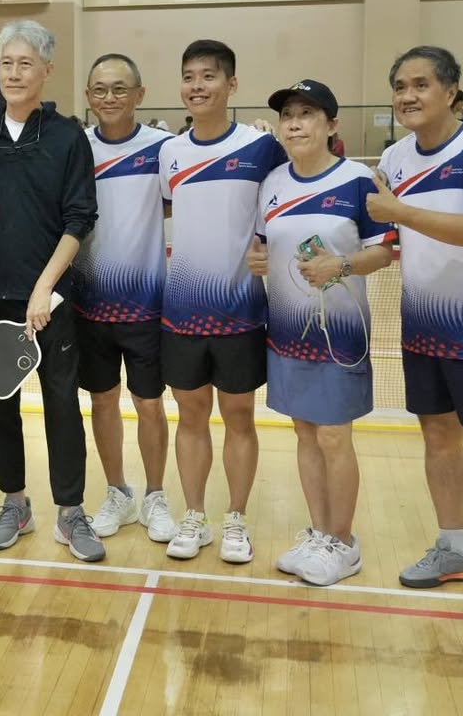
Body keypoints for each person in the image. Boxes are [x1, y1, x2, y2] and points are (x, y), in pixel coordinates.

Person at [367, 45, 463, 635]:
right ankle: (454, 548)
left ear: (452, 92)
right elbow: (386, 241)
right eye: (399, 86)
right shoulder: (394, 157)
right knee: (438, 439)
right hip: (423, 327)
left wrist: (399, 212)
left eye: (421, 84)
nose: (408, 96)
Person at [246, 80, 394, 585]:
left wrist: (342, 265)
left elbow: (383, 251)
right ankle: (319, 533)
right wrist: (257, 259)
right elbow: (263, 246)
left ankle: (343, 543)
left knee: (333, 435)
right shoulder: (272, 184)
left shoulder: (358, 181)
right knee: (304, 431)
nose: (294, 124)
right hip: (287, 330)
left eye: (306, 114)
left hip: (339, 333)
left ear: (331, 125)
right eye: (288, 115)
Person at [0, 20, 102, 563]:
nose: (14, 73)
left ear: (46, 70)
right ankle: (14, 504)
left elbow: (79, 219)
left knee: (61, 405)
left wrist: (44, 289)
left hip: (49, 300)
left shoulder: (68, 136)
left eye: (25, 63)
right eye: (6, 63)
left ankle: (71, 511)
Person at [158, 39, 286, 562]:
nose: (197, 86)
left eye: (208, 76)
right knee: (189, 417)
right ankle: (194, 516)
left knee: (238, 416)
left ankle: (235, 519)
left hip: (241, 313)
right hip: (181, 313)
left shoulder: (262, 148)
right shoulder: (170, 152)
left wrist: (271, 249)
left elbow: (287, 206)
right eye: (189, 76)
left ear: (231, 85)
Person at [74, 54, 177, 545]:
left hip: (146, 303)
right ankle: (118, 492)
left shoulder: (163, 148)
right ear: (87, 96)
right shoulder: (76, 147)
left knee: (149, 404)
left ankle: (156, 495)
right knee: (101, 401)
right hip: (88, 305)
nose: (109, 98)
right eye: (99, 89)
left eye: (120, 89)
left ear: (140, 94)